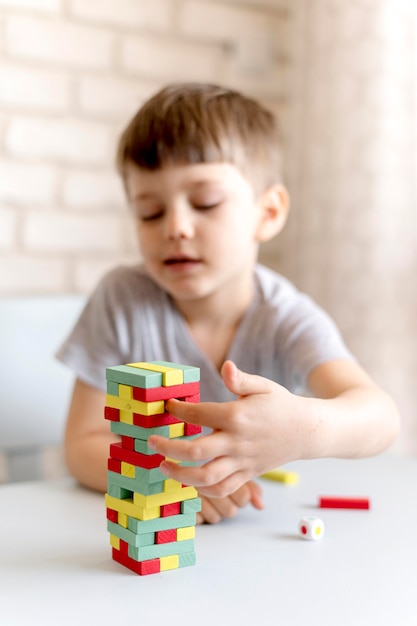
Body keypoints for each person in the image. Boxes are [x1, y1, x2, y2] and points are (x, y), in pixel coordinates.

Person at [57, 82, 400, 524]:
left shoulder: (286, 317)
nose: (176, 227)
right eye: (150, 212)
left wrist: (303, 431)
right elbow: (82, 444)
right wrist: (169, 481)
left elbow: (381, 417)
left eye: (206, 202)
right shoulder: (121, 299)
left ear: (268, 212)